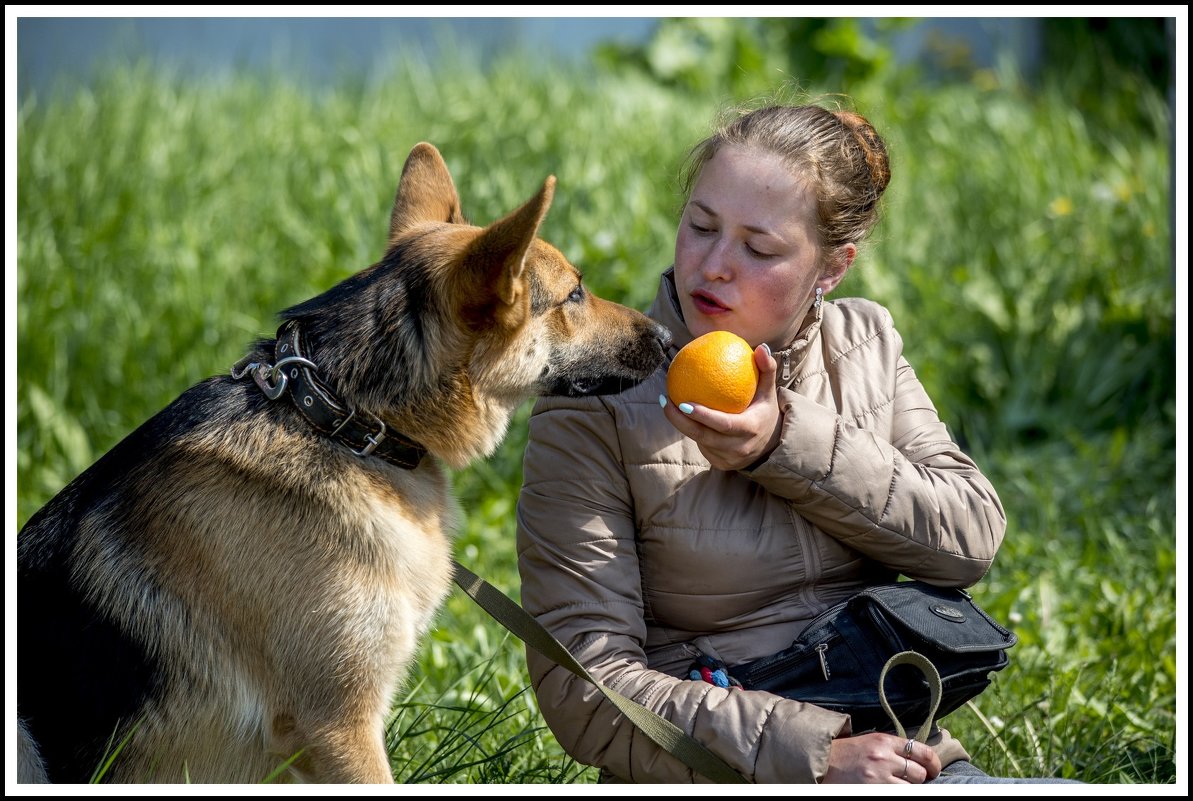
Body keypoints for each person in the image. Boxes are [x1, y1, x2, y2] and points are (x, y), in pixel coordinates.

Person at [515, 100, 1077, 785]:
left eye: (759, 247)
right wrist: (817, 757)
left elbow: (969, 538)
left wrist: (784, 442)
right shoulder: (596, 402)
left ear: (832, 267)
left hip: (908, 761)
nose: (713, 265)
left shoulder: (864, 344)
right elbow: (586, 686)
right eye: (699, 227)